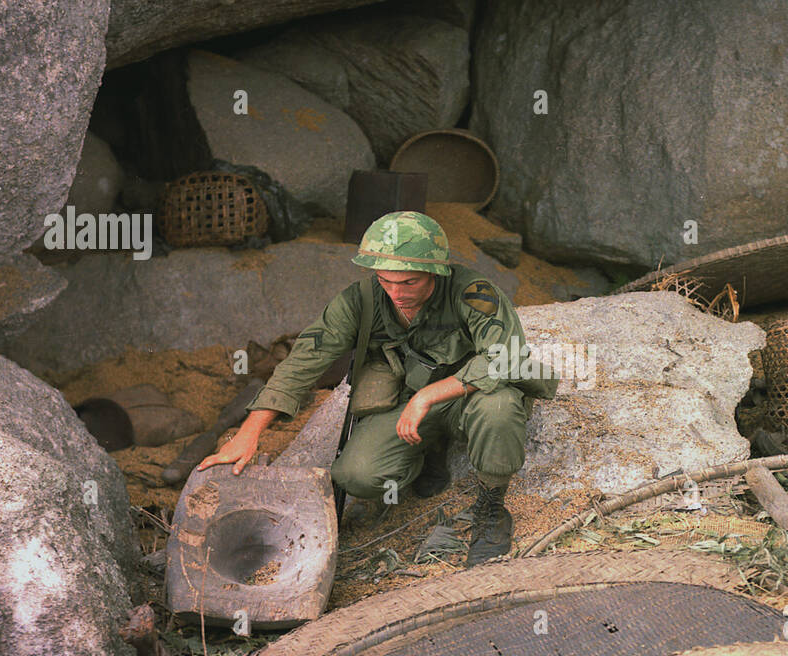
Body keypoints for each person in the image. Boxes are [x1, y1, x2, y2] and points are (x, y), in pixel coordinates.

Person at [197, 211, 556, 566]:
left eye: (409, 283)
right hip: (407, 403)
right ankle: (429, 448)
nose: (396, 293)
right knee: (357, 475)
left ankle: (492, 509)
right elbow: (303, 360)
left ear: (435, 271)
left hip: (470, 397)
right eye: (386, 281)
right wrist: (249, 433)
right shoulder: (361, 300)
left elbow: (506, 356)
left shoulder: (474, 293)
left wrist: (427, 396)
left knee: (500, 408)